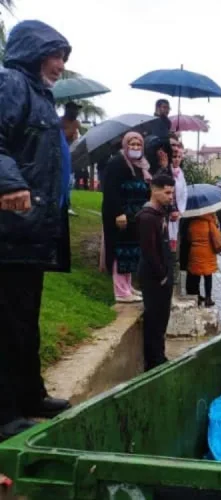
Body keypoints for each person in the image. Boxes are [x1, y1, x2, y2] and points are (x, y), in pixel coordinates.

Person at [0, 20, 73, 440]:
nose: (60, 64)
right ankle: (4, 411)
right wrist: (9, 182)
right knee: (6, 323)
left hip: (30, 233)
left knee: (25, 321)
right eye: (55, 54)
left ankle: (30, 395)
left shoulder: (40, 96)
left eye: (64, 57)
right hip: (8, 231)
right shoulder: (10, 83)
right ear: (33, 51)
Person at [101, 132, 151, 303]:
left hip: (134, 215)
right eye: (132, 144)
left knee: (131, 250)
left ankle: (127, 286)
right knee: (120, 251)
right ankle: (120, 291)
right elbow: (111, 190)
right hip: (121, 214)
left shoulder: (141, 165)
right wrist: (118, 212)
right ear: (125, 145)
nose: (135, 148)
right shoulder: (117, 163)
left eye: (138, 145)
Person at [136, 173, 176, 371]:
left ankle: (159, 355)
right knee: (154, 320)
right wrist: (162, 275)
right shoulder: (147, 217)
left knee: (162, 319)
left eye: (172, 193)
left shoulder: (161, 214)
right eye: (167, 193)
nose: (170, 197)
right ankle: (153, 360)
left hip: (163, 276)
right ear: (154, 190)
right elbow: (149, 250)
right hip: (154, 278)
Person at [186, 213, 221, 307]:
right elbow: (217, 237)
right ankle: (208, 298)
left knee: (196, 275)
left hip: (195, 252)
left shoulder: (192, 223)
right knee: (208, 277)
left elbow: (188, 238)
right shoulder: (209, 223)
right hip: (208, 253)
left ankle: (197, 296)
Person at [168, 133, 187, 252]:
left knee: (174, 236)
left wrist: (180, 210)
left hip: (177, 211)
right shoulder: (166, 170)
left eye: (179, 157)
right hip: (169, 209)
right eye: (174, 156)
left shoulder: (181, 173)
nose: (177, 159)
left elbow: (184, 192)